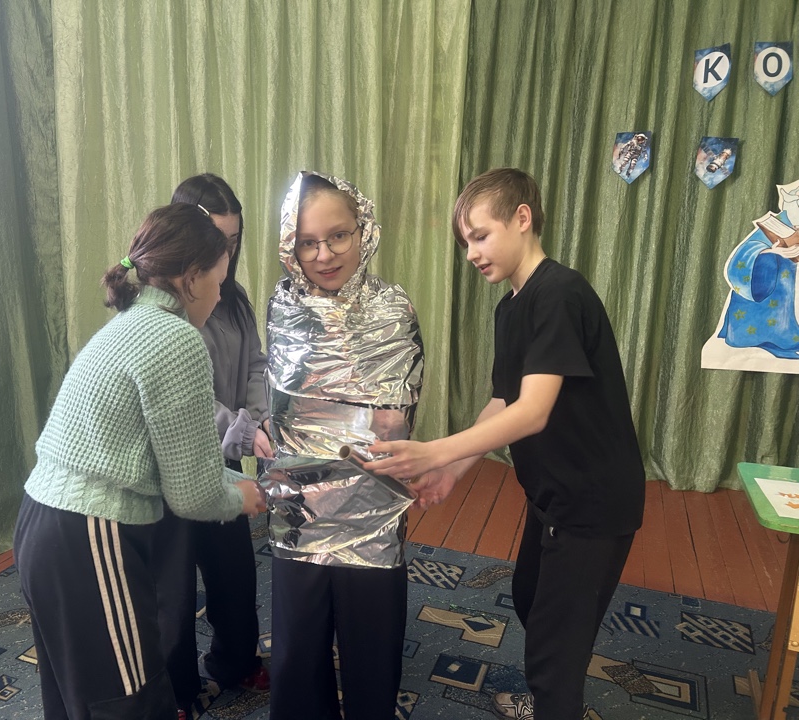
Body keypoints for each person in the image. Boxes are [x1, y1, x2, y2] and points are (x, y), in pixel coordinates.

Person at [365, 168, 645, 720]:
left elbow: (533, 410)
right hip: (553, 495)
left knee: (554, 655)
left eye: (480, 235)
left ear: (522, 218)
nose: (471, 253)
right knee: (529, 598)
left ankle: (551, 703)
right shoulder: (510, 307)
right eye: (465, 242)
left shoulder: (560, 294)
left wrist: (436, 450)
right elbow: (504, 399)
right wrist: (453, 470)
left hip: (592, 502)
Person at [13, 203, 266, 720]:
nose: (221, 295)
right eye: (218, 282)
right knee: (130, 702)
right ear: (190, 279)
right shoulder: (177, 338)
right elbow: (192, 496)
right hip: (89, 536)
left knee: (75, 699)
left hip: (43, 520)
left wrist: (229, 483)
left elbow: (179, 462)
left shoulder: (132, 323)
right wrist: (243, 499)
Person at [264, 171, 424, 720]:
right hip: (298, 506)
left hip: (371, 506)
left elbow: (393, 422)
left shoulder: (392, 309)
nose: (324, 254)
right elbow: (281, 407)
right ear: (291, 246)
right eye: (308, 242)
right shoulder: (282, 308)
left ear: (364, 231)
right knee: (295, 656)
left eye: (338, 236)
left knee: (372, 654)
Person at [154, 175, 271, 715]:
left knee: (234, 571)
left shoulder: (234, 298)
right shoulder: (164, 314)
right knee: (172, 591)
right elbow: (187, 403)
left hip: (220, 459)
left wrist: (259, 419)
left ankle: (235, 660)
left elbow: (256, 364)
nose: (226, 253)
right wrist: (247, 431)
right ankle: (177, 691)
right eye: (216, 241)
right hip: (171, 468)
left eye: (234, 240)